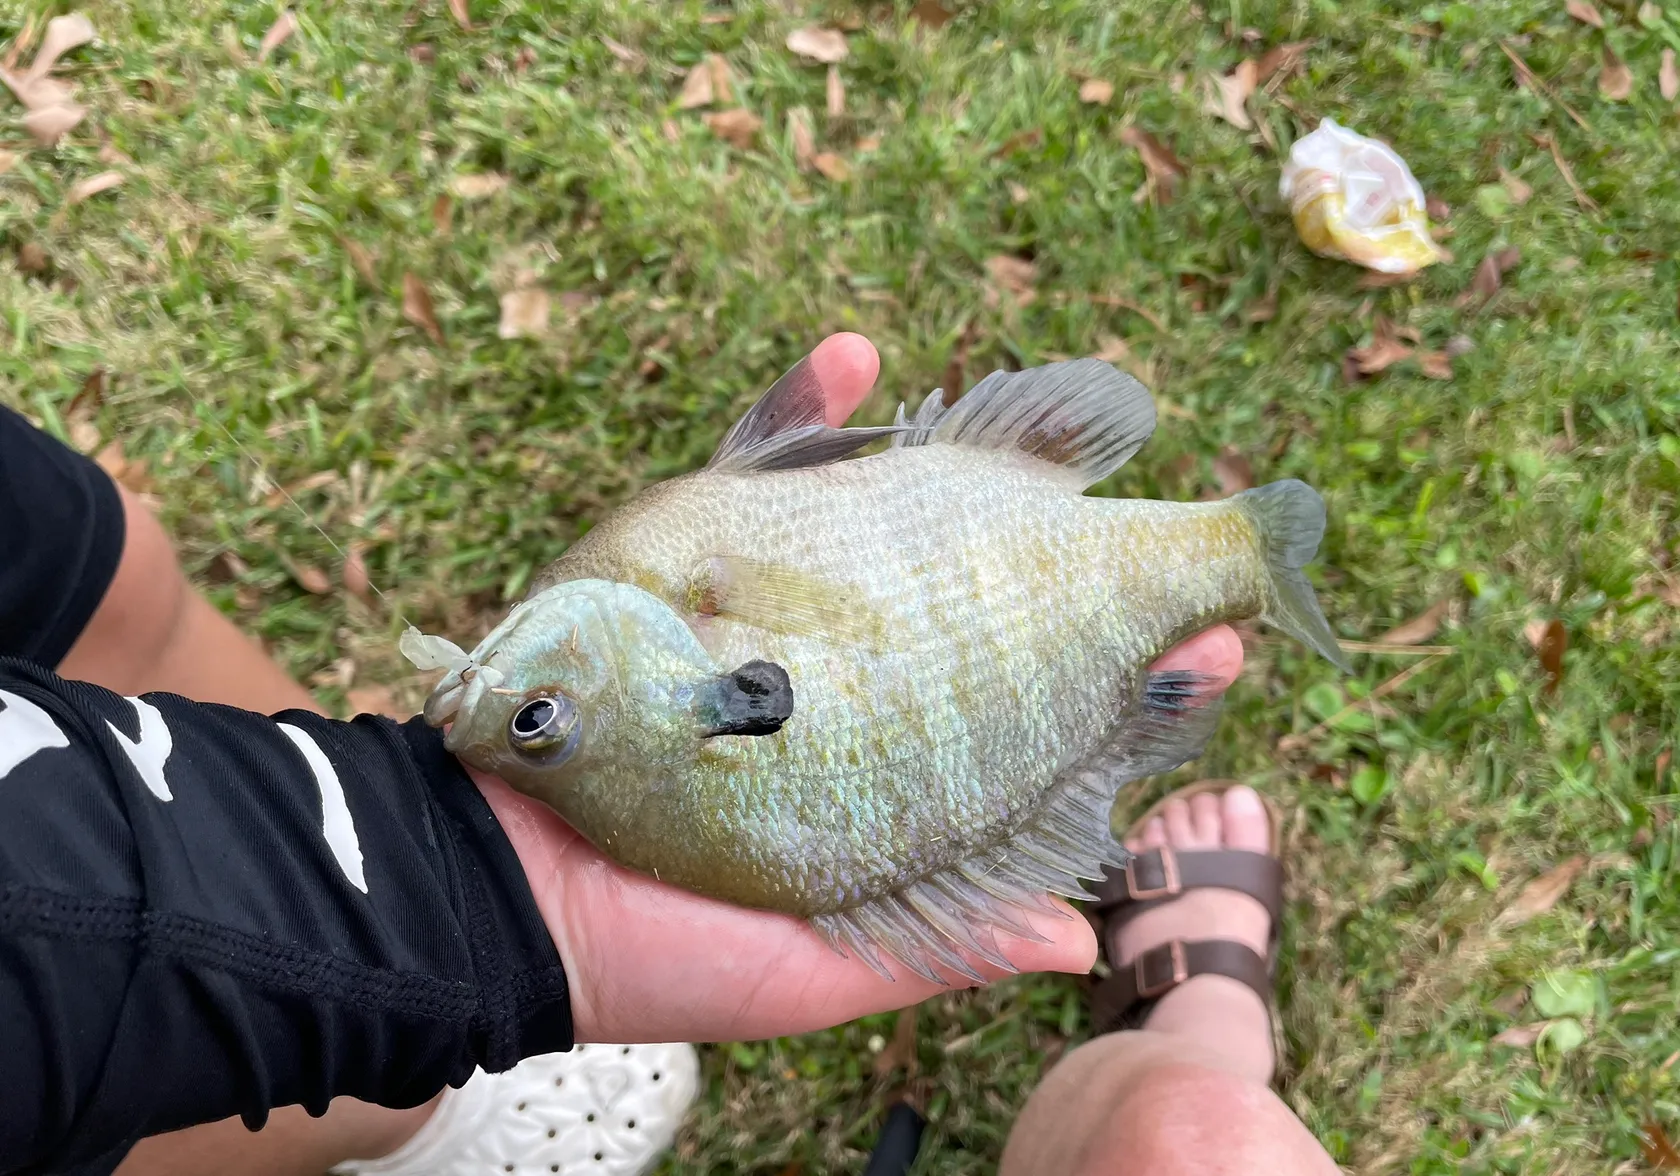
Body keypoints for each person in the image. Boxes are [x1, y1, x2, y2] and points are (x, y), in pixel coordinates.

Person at [0, 333, 1339, 1175]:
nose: (501, 711)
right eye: (542, 724)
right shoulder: (663, 630)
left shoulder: (658, 640)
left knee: (97, 575)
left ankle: (413, 1046)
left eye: (536, 728)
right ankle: (417, 1084)